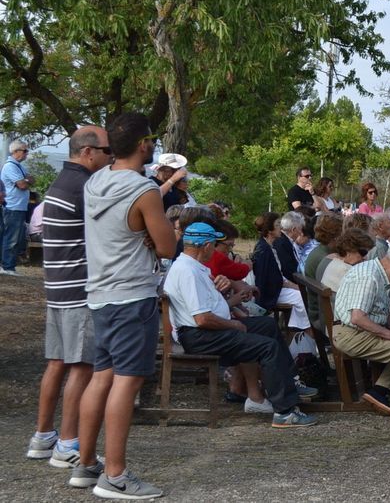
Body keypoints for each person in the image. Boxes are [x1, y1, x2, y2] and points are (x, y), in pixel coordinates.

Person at [73, 113, 176, 498]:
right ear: (144, 144)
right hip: (132, 295)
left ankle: (85, 464)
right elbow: (166, 246)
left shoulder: (95, 181)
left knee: (102, 376)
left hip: (99, 294)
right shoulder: (144, 190)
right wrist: (159, 233)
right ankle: (115, 475)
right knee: (127, 380)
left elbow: (122, 230)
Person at [164, 222, 317, 427]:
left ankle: (289, 382)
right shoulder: (187, 272)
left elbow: (207, 310)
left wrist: (228, 300)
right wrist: (233, 325)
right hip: (199, 336)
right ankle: (285, 412)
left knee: (267, 325)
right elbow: (202, 319)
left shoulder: (192, 266)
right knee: (266, 347)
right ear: (207, 245)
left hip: (205, 330)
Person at [26, 126, 111, 468]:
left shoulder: (60, 183)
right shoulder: (84, 187)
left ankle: (43, 436)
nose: (110, 157)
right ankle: (67, 444)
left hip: (58, 286)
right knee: (82, 367)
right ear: (88, 152)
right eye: (106, 151)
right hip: (79, 289)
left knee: (57, 363)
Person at [332, 244, 390, 425]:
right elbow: (358, 317)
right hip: (350, 334)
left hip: (357, 331)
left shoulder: (377, 273)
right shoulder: (368, 277)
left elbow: (386, 311)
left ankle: (380, 391)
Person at [250, 213, 313, 333]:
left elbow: (278, 276)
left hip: (276, 287)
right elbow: (263, 279)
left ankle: (299, 333)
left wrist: (295, 286)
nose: (281, 227)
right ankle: (306, 332)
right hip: (271, 292)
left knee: (304, 293)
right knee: (302, 297)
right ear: (269, 230)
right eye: (278, 224)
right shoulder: (263, 250)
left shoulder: (269, 247)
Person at [1, 139, 33, 275]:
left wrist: (26, 180)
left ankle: (8, 265)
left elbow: (30, 179)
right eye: (24, 151)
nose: (27, 153)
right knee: (11, 238)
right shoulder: (10, 166)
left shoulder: (19, 166)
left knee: (14, 237)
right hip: (13, 206)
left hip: (18, 206)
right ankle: (8, 266)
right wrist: (26, 180)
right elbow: (23, 184)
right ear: (15, 152)